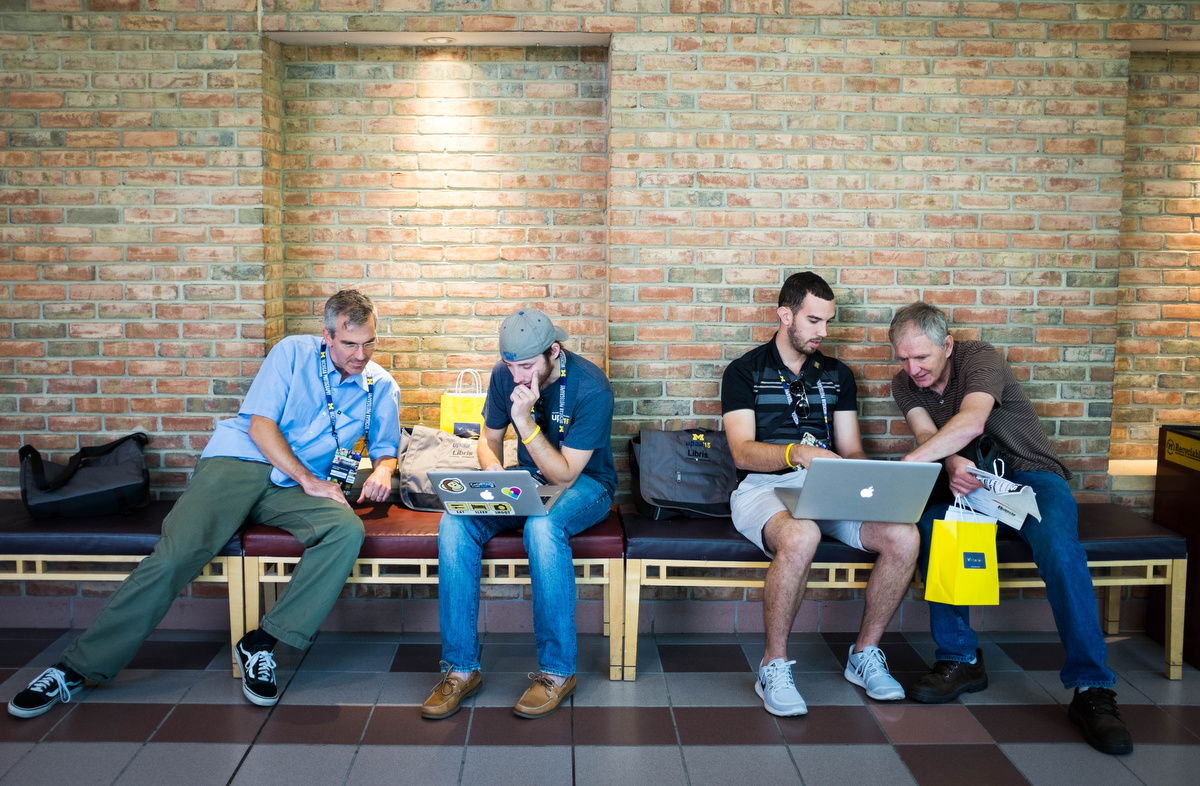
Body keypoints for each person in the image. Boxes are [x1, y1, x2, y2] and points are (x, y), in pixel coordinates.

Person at [7, 289, 400, 718]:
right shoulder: (292, 352)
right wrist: (308, 479)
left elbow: (385, 447)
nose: (360, 354)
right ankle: (75, 668)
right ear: (327, 335)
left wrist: (383, 469)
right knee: (178, 556)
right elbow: (261, 427)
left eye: (369, 343)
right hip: (243, 463)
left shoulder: (380, 386)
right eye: (350, 343)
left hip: (296, 489)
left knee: (345, 531)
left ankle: (261, 644)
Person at [890, 301, 1132, 755]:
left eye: (921, 357)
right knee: (934, 525)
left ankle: (1092, 689)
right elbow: (926, 434)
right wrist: (952, 461)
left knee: (1061, 550)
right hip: (970, 484)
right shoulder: (905, 384)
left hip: (1029, 475)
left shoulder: (980, 357)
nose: (912, 368)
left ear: (947, 345)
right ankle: (959, 659)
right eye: (903, 358)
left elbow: (973, 419)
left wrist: (905, 467)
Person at [721, 272, 919, 717]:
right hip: (764, 487)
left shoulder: (836, 375)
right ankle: (773, 665)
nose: (822, 332)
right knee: (801, 534)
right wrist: (796, 452)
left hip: (829, 484)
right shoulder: (743, 372)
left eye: (827, 322)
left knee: (904, 536)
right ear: (784, 314)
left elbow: (850, 449)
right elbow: (741, 452)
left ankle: (864, 655)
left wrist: (861, 480)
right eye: (813, 320)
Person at [422, 308, 616, 721]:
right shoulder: (503, 374)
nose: (517, 376)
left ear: (553, 352)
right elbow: (487, 441)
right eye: (510, 366)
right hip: (526, 479)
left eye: (526, 366)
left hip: (588, 485)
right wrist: (491, 469)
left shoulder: (591, 387)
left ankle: (558, 672)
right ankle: (460, 668)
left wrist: (524, 421)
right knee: (454, 522)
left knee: (543, 527)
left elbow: (564, 474)